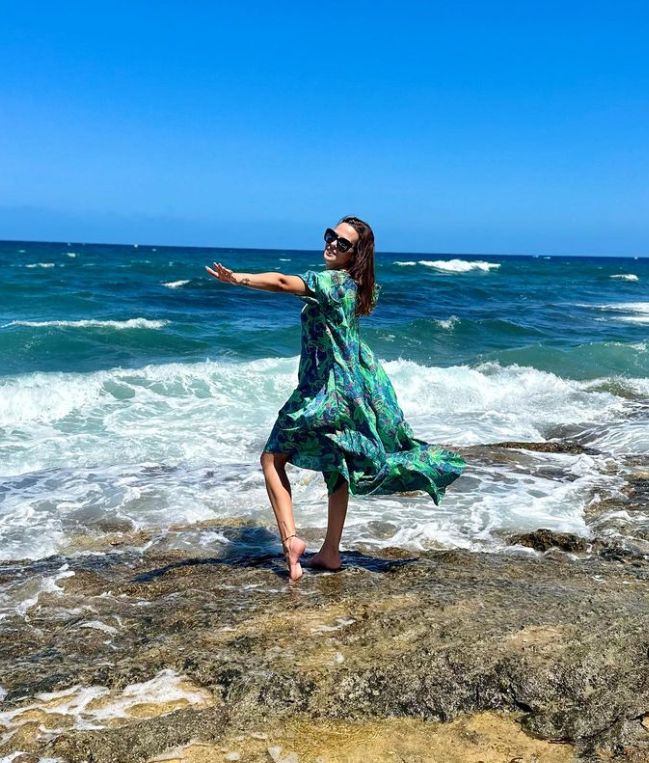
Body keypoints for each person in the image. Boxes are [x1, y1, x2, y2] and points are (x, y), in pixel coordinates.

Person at [205, 215, 466, 582]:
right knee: (337, 464)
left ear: (355, 254)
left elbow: (282, 282)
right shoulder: (359, 286)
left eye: (343, 243)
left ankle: (291, 541)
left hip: (324, 389)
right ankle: (330, 552)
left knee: (271, 459)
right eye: (331, 236)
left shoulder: (331, 282)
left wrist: (238, 278)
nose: (332, 243)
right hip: (353, 386)